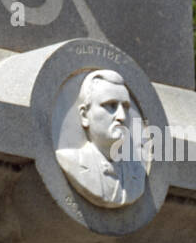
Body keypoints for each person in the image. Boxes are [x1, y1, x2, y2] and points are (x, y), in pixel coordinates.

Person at [56, 69, 146, 209]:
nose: (121, 116)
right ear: (85, 116)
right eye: (111, 105)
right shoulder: (69, 160)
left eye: (126, 107)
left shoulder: (138, 173)